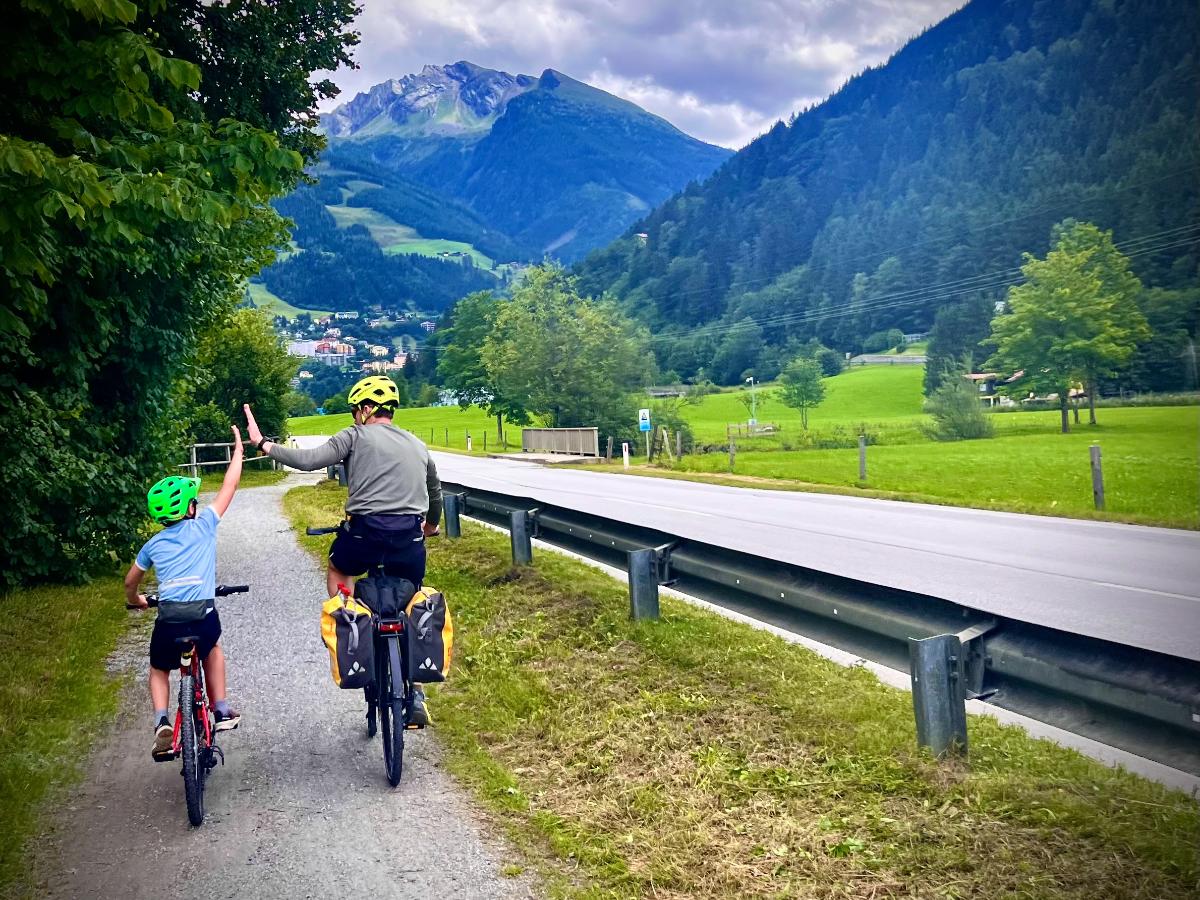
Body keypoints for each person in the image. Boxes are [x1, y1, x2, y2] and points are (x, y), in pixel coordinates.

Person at [244, 375, 442, 724]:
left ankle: (350, 620)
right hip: (409, 541)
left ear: (366, 410)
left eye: (355, 410)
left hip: (364, 536)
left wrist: (263, 444)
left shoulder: (354, 436)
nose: (354, 417)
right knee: (411, 599)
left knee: (339, 569)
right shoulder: (417, 445)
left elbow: (308, 460)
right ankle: (414, 692)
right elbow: (435, 494)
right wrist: (429, 527)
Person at [125, 424, 244, 758]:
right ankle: (220, 709)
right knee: (212, 648)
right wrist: (238, 451)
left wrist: (137, 600)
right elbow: (229, 485)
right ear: (191, 508)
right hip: (201, 616)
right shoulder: (204, 525)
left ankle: (162, 721)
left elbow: (130, 582)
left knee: (159, 668)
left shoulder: (152, 544)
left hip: (169, 620)